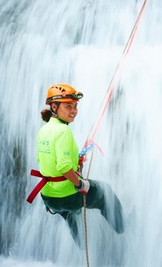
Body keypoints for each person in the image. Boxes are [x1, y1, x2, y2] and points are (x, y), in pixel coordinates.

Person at [35, 83, 124, 246]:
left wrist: (75, 163)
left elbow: (44, 161)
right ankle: (123, 228)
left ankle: (81, 245)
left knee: (69, 212)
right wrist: (80, 183)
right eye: (68, 106)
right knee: (105, 193)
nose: (74, 111)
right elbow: (62, 166)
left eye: (75, 106)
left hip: (48, 197)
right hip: (66, 195)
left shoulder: (44, 130)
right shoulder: (64, 131)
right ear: (54, 106)